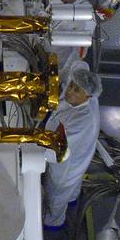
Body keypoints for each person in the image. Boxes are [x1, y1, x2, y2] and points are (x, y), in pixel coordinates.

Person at [42, 60, 102, 230]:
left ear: (87, 96)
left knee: (55, 198)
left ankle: (53, 224)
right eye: (71, 86)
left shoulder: (83, 121)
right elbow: (80, 64)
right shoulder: (86, 97)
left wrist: (33, 151)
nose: (69, 91)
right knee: (72, 189)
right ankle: (73, 199)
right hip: (80, 158)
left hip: (65, 168)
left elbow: (57, 148)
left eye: (77, 90)